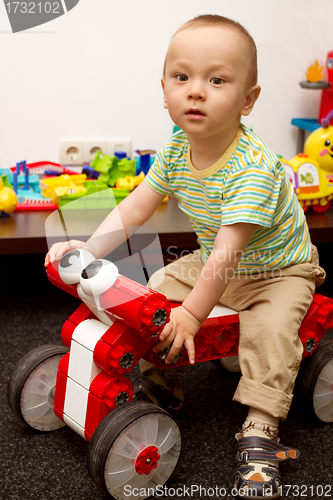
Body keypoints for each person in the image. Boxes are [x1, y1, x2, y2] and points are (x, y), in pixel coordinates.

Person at [45, 14, 325, 499]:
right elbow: (135, 207)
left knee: (270, 331)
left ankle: (261, 427)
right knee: (150, 296)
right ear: (165, 88)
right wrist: (86, 250)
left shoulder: (253, 168)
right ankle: (161, 374)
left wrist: (194, 312)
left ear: (248, 99)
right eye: (183, 77)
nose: (195, 91)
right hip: (212, 259)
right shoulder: (177, 147)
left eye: (216, 80)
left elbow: (228, 251)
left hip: (276, 271)